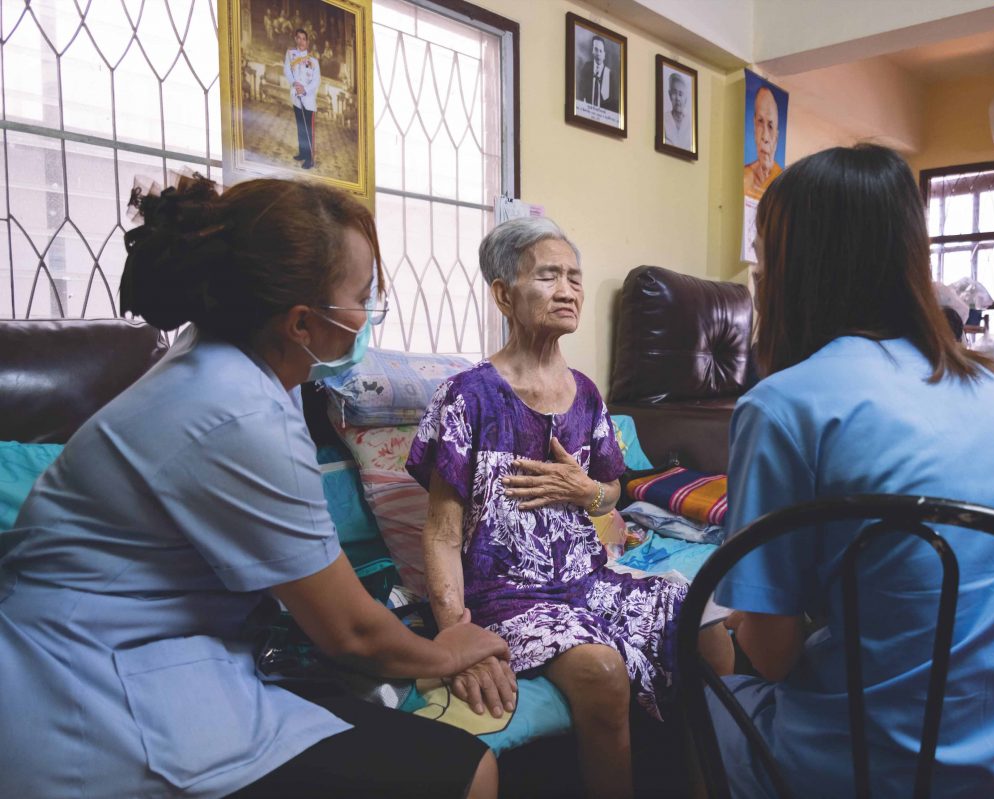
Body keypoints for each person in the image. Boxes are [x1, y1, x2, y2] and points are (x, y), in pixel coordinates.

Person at [0, 175, 507, 799]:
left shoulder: (225, 366)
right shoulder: (239, 412)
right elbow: (350, 632)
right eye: (364, 295)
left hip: (125, 651)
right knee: (465, 770)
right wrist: (449, 649)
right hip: (84, 697)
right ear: (303, 322)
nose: (372, 312)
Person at [711, 144, 994, 797]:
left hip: (884, 770)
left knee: (693, 693)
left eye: (763, 249)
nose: (756, 269)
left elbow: (771, 655)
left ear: (794, 265)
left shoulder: (785, 404)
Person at [407, 217, 731, 799]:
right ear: (504, 294)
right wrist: (457, 635)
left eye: (575, 277)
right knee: (602, 670)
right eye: (548, 276)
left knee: (704, 618)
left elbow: (612, 496)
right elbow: (440, 534)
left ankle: (712, 785)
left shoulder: (587, 393)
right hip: (505, 596)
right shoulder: (467, 397)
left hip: (588, 578)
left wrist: (588, 494)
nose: (568, 290)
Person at [285, 28, 320, 170]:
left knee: (308, 129)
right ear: (295, 39)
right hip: (296, 98)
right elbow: (287, 70)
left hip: (308, 100)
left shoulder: (313, 61)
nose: (301, 41)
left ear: (307, 42)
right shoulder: (290, 55)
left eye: (303, 39)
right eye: (298, 38)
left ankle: (310, 158)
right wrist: (295, 84)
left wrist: (304, 90)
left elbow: (316, 81)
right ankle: (303, 152)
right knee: (300, 127)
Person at [742, 86, 782, 200]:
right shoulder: (744, 177)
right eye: (760, 122)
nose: (765, 137)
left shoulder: (782, 182)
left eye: (770, 126)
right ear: (754, 128)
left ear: (776, 138)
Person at [576, 35, 616, 112]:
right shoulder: (586, 68)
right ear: (592, 51)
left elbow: (612, 103)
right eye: (596, 50)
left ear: (604, 54)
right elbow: (580, 94)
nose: (598, 54)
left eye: (601, 51)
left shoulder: (609, 74)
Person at [663, 72, 691, 150]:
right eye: (674, 93)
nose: (678, 98)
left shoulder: (690, 123)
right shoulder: (663, 119)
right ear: (669, 94)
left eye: (681, 94)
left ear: (686, 98)